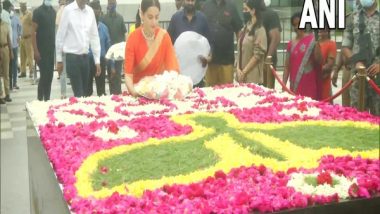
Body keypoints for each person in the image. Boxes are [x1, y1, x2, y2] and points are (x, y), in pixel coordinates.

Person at [124, 0, 179, 96]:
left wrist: (172, 88)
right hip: (138, 92)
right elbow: (128, 75)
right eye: (150, 17)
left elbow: (173, 69)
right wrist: (135, 92)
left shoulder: (164, 36)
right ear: (141, 14)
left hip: (160, 93)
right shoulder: (132, 38)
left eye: (157, 17)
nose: (154, 22)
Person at [56, 0, 101, 98]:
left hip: (86, 58)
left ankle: (80, 111)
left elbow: (94, 36)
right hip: (72, 58)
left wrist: (97, 60)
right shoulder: (68, 10)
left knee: (85, 93)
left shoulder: (90, 12)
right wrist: (59, 59)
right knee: (79, 93)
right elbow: (60, 35)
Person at [342, 0, 380, 115]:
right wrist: (357, 62)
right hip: (358, 79)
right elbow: (345, 47)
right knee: (358, 119)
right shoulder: (353, 18)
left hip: (378, 81)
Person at [167, 0, 211, 87]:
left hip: (198, 74)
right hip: (179, 75)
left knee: (199, 98)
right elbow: (168, 43)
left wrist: (208, 57)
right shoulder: (175, 18)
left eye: (192, 0)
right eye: (188, 0)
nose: (190, 3)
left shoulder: (202, 18)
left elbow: (210, 42)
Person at [202, 0, 243, 86]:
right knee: (210, 93)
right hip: (210, 60)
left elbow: (239, 31)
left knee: (227, 92)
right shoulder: (205, 6)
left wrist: (240, 56)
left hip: (227, 59)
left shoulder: (231, 6)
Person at [283, 12, 322, 100]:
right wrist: (283, 85)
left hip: (308, 82)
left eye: (299, 23)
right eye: (295, 24)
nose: (297, 27)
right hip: (294, 84)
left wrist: (316, 43)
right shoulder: (290, 44)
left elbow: (319, 61)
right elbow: (286, 67)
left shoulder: (312, 40)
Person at [236, 0, 267, 85]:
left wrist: (244, 72)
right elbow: (239, 51)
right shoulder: (245, 28)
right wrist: (238, 69)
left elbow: (257, 55)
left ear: (253, 11)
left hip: (252, 78)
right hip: (241, 76)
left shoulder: (260, 29)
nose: (243, 12)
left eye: (246, 10)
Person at [32, 0, 56, 101]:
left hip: (51, 50)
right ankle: (40, 99)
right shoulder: (37, 12)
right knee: (44, 75)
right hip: (41, 50)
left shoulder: (53, 12)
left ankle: (47, 98)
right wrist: (36, 51)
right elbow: (33, 33)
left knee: (50, 75)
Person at [101, 0, 127, 95]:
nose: (111, 5)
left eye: (112, 3)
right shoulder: (103, 18)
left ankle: (118, 95)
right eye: (109, 3)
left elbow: (124, 34)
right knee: (111, 76)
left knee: (118, 76)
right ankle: (112, 95)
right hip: (109, 53)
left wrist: (125, 50)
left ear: (116, 4)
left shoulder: (120, 18)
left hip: (119, 53)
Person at [87, 0, 111, 96]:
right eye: (93, 10)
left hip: (101, 61)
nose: (95, 13)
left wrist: (111, 64)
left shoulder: (104, 28)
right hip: (88, 60)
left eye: (97, 10)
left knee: (101, 90)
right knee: (87, 90)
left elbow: (108, 46)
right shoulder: (85, 28)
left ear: (100, 11)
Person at [260, 0, 281, 89]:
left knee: (266, 92)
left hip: (265, 59)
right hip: (252, 61)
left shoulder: (270, 14)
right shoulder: (250, 14)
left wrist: (268, 58)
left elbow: (276, 38)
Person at [318, 29, 336, 103]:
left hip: (324, 78)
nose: (321, 32)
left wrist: (316, 71)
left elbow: (329, 65)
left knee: (326, 104)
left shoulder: (331, 44)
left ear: (327, 32)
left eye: (323, 30)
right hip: (313, 80)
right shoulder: (315, 44)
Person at [19, 1, 35, 79]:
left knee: (30, 55)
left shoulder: (29, 14)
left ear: (24, 6)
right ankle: (23, 71)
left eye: (21, 6)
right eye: (20, 6)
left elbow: (33, 25)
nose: (20, 8)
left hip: (28, 38)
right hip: (22, 38)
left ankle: (31, 71)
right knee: (22, 56)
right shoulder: (21, 16)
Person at [0, 17, 13, 104]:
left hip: (5, 49)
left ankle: (7, 94)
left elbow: (8, 39)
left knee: (6, 73)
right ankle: (1, 96)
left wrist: (11, 51)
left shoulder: (5, 24)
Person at [10, 6, 22, 90]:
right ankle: (9, 84)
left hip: (14, 44)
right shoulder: (4, 17)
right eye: (10, 9)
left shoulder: (16, 18)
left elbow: (20, 27)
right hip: (7, 45)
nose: (11, 11)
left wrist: (19, 35)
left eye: (12, 9)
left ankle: (14, 83)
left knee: (14, 64)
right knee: (8, 65)